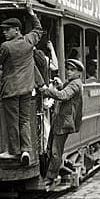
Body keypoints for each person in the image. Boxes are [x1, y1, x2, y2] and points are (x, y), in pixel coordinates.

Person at [0, 0, 43, 165]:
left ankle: (14, 151)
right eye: (3, 30)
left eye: (7, 30)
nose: (4, 32)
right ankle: (26, 150)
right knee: (24, 120)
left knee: (12, 121)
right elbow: (38, 29)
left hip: (11, 90)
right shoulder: (28, 41)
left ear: (16, 30)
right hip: (27, 89)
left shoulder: (6, 46)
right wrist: (31, 13)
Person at [41, 59, 84, 191]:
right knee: (50, 147)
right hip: (60, 121)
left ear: (78, 73)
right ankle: (48, 174)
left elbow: (64, 95)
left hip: (64, 122)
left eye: (72, 70)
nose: (68, 72)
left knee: (55, 150)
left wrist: (46, 90)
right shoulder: (72, 83)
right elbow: (64, 91)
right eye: (68, 69)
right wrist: (60, 85)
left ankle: (51, 177)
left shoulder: (75, 84)